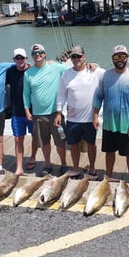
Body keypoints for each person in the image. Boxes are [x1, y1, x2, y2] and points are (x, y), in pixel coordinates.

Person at [93, 45, 129, 183]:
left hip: (126, 125)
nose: (119, 59)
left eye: (122, 56)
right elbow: (98, 96)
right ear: (112, 58)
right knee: (109, 152)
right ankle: (108, 175)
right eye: (116, 56)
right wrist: (95, 115)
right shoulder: (105, 75)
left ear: (127, 58)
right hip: (109, 123)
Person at [55, 45, 105, 180]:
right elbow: (61, 95)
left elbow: (114, 73)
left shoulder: (95, 71)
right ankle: (76, 168)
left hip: (90, 118)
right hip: (73, 118)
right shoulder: (66, 74)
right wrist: (59, 113)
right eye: (73, 57)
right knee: (73, 144)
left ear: (84, 57)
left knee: (91, 144)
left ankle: (93, 168)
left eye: (79, 56)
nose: (76, 59)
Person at [23, 43, 70, 176]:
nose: (37, 55)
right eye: (34, 54)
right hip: (38, 115)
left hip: (56, 113)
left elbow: (75, 67)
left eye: (40, 53)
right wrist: (27, 110)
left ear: (44, 54)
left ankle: (64, 164)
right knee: (44, 142)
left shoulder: (55, 67)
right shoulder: (28, 73)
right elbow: (25, 93)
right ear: (32, 56)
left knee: (60, 141)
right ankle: (48, 165)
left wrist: (91, 66)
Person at [6, 48, 38, 176]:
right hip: (16, 112)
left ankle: (33, 157)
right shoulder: (10, 71)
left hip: (32, 111)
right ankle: (19, 167)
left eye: (22, 58)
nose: (20, 60)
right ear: (14, 60)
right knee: (18, 139)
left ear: (26, 59)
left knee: (35, 136)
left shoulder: (32, 71)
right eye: (17, 58)